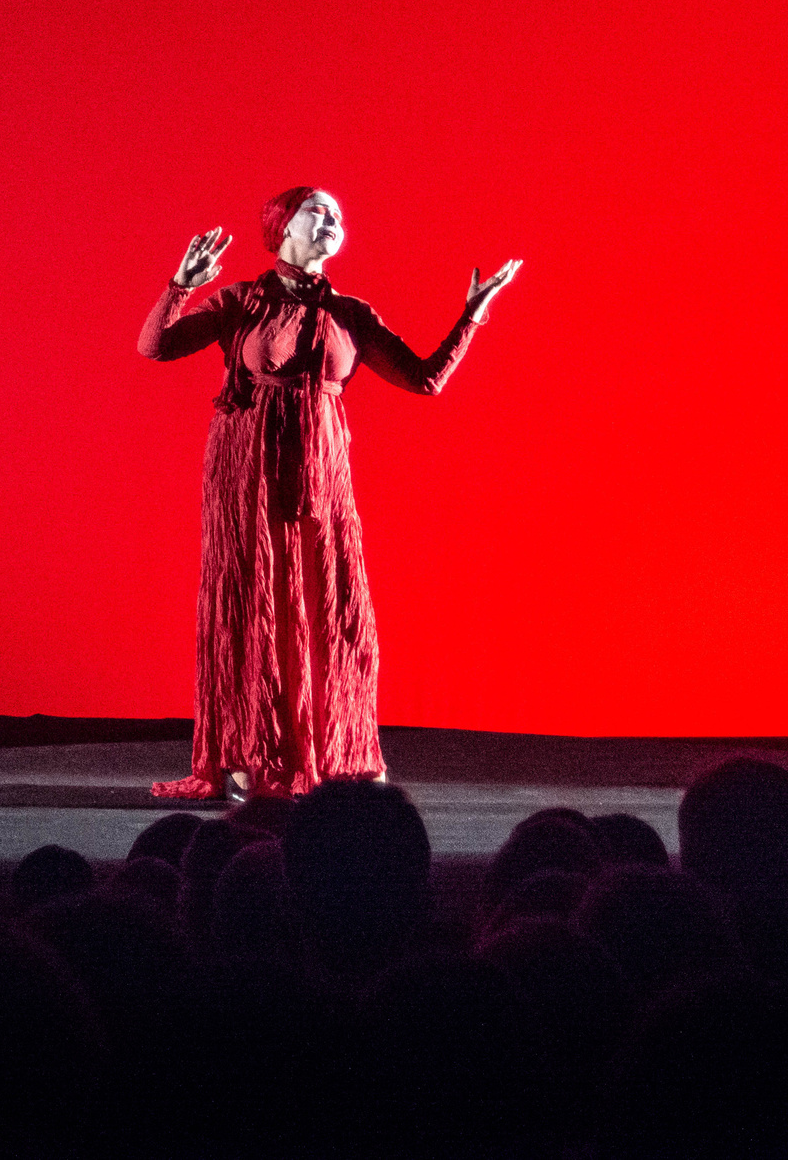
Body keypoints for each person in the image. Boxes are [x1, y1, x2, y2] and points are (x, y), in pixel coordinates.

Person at [139, 187, 517, 798]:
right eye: (318, 210)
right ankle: (249, 751)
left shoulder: (352, 314)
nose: (333, 220)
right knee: (256, 603)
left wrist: (472, 314)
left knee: (327, 606)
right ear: (282, 225)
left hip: (321, 474)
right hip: (249, 473)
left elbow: (425, 380)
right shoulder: (241, 302)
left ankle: (337, 753)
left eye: (339, 214)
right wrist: (179, 285)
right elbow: (156, 346)